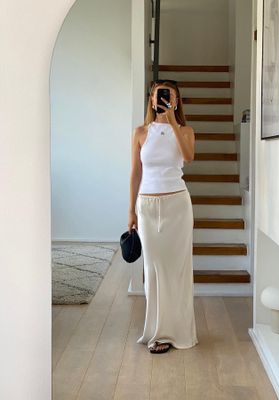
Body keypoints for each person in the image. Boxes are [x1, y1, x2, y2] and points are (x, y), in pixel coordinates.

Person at [128, 79, 199, 354]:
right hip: (146, 206)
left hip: (177, 206)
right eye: (159, 96)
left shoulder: (186, 131)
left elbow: (189, 156)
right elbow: (135, 173)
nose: (164, 100)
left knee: (176, 270)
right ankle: (157, 331)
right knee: (154, 269)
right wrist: (130, 210)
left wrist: (171, 121)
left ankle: (176, 331)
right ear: (151, 100)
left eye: (170, 96)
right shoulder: (140, 133)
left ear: (177, 101)